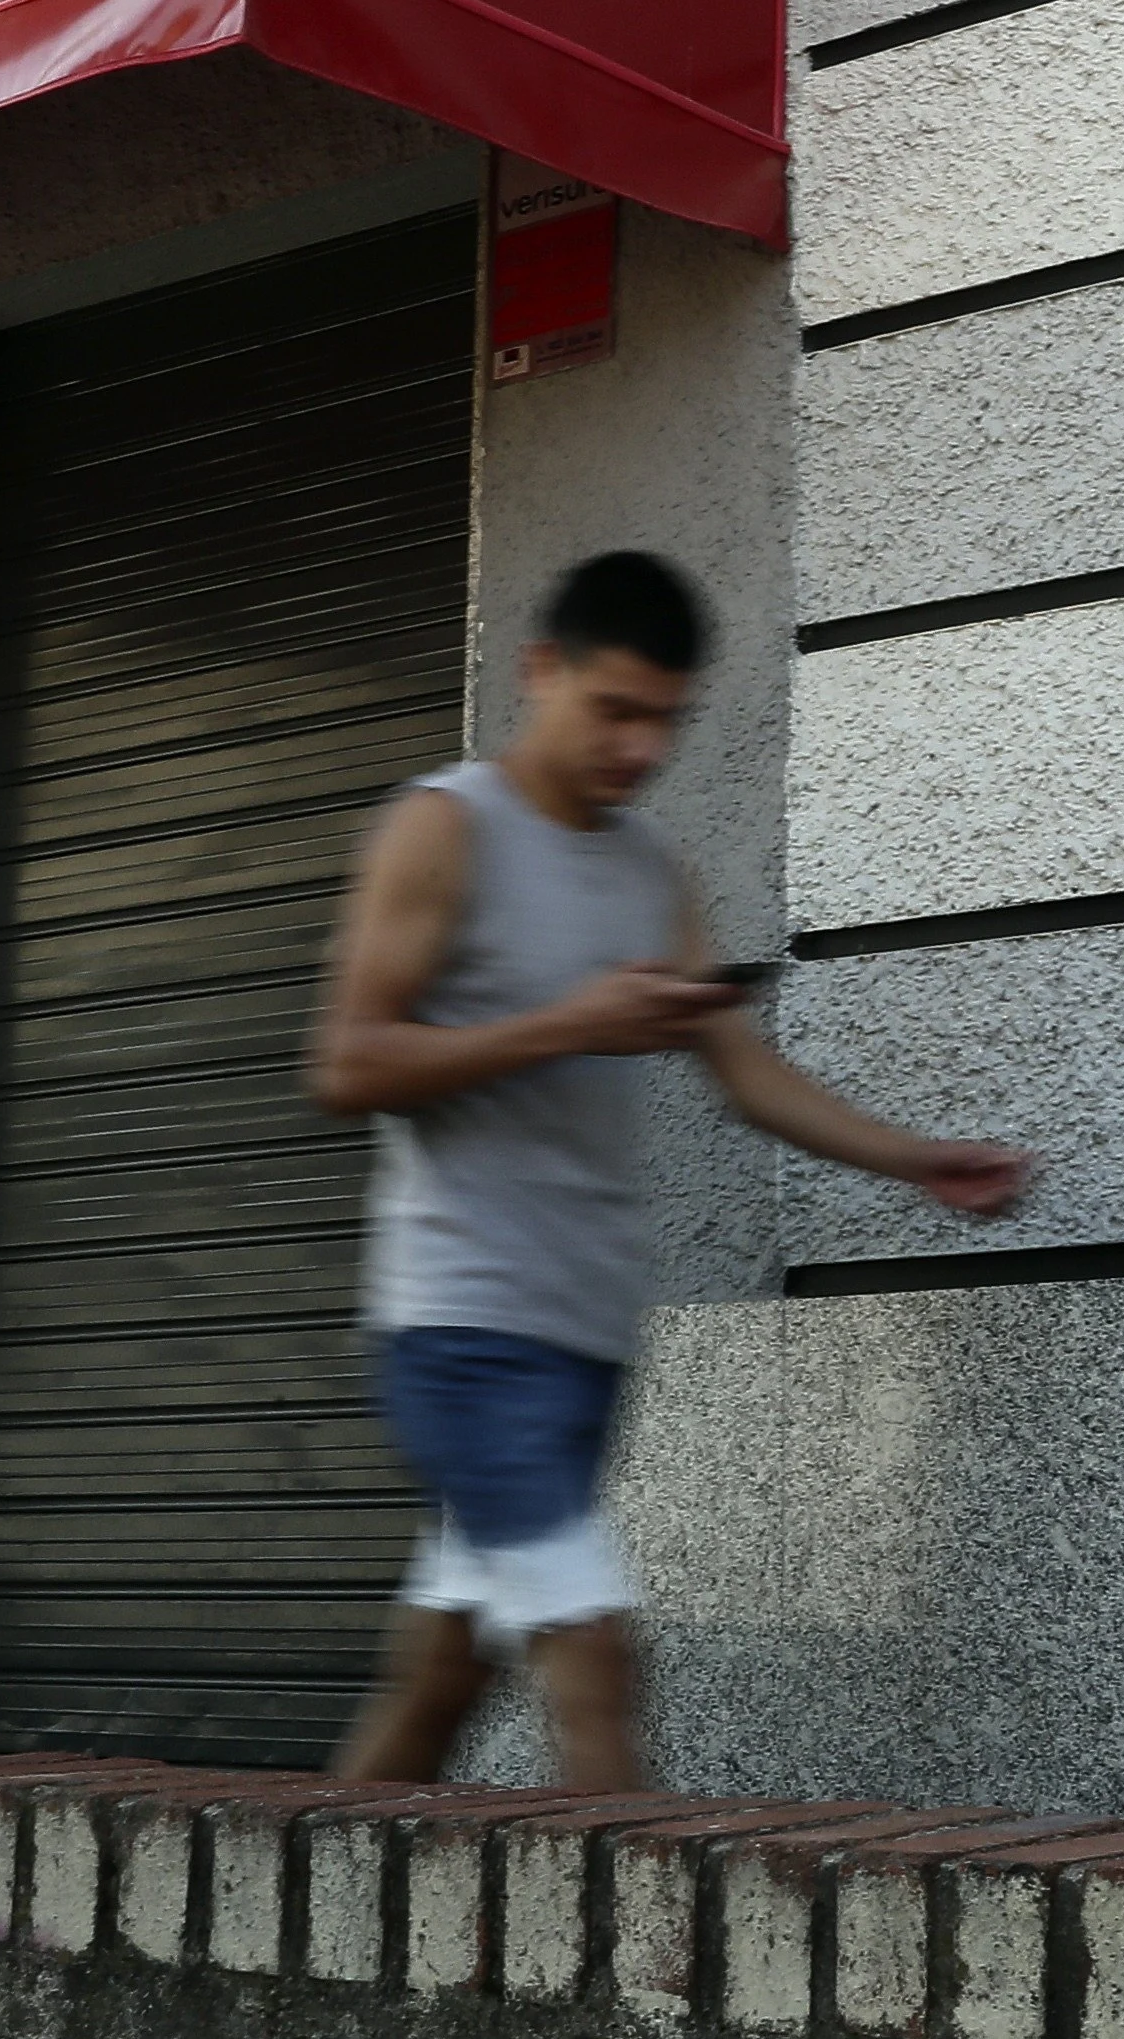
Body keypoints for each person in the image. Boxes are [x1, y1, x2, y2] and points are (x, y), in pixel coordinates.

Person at [305, 549, 1027, 1789]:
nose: (639, 750)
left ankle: (285, 1922)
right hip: (463, 1333)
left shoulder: (649, 869)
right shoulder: (443, 829)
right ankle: (644, 1972)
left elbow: (741, 1071)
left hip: (583, 1340)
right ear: (542, 673)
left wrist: (917, 1159)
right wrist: (566, 1025)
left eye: (665, 722)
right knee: (596, 1665)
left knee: (440, 1682)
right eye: (614, 711)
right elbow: (346, 1064)